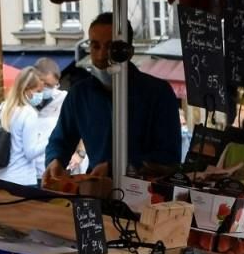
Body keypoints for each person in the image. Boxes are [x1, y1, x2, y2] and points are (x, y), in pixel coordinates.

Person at [45, 14, 182, 181]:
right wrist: (55, 160)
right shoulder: (79, 94)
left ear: (129, 52)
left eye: (110, 47)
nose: (102, 55)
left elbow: (169, 158)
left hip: (146, 197)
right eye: (95, 46)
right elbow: (61, 139)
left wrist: (117, 167)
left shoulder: (158, 93)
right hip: (95, 191)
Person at [0, 67, 60, 186]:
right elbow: (30, 152)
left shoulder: (3, 108)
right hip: (23, 179)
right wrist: (50, 139)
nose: (41, 95)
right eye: (38, 91)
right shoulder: (28, 113)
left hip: (2, 177)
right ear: (27, 89)